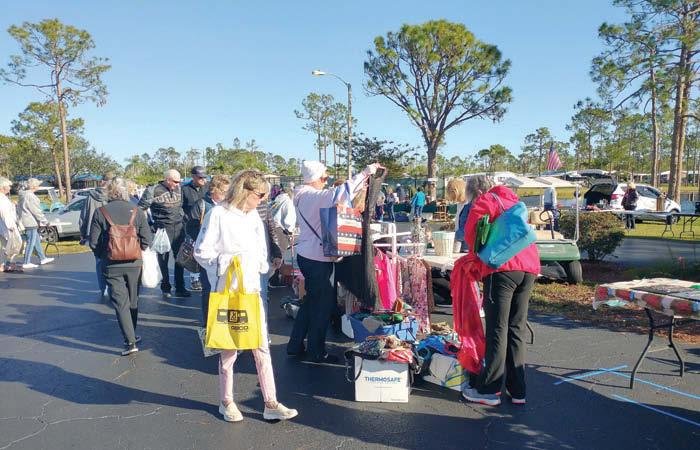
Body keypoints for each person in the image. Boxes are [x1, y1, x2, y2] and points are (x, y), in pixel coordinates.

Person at [194, 169, 298, 423]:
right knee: (229, 348)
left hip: (252, 289)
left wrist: (263, 266)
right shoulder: (218, 214)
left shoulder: (253, 217)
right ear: (245, 190)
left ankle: (271, 402)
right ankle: (226, 401)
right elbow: (201, 251)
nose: (264, 199)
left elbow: (261, 249)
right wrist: (229, 263)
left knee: (261, 345)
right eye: (260, 194)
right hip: (227, 291)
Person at [287, 160, 381, 363]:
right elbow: (341, 192)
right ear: (315, 178)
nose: (326, 181)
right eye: (324, 177)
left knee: (311, 302)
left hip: (308, 255)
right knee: (322, 307)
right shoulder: (313, 196)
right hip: (318, 258)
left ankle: (295, 345)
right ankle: (316, 352)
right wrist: (366, 171)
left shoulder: (301, 195)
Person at [459, 175, 540, 406]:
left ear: (476, 192)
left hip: (501, 268)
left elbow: (471, 236)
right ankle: (518, 390)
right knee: (516, 328)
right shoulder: (512, 200)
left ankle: (489, 389)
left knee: (497, 329)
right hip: (529, 266)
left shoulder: (485, 202)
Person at [89, 178, 152, 356]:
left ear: (109, 192)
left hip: (111, 264)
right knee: (133, 300)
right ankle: (133, 333)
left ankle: (130, 341)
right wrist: (137, 249)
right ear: (126, 192)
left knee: (120, 302)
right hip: (134, 263)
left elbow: (93, 242)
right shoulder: (137, 211)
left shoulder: (100, 212)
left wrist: (103, 254)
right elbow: (147, 239)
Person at [186, 175, 231, 327]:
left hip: (225, 256)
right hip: (209, 256)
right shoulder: (202, 204)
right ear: (215, 190)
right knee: (208, 290)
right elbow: (190, 227)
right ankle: (208, 324)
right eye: (224, 191)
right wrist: (205, 238)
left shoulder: (229, 206)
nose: (227, 194)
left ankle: (222, 322)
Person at [138, 169, 189, 298]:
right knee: (163, 259)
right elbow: (140, 208)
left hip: (178, 227)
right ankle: (165, 287)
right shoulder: (153, 190)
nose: (178, 184)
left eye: (179, 181)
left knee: (180, 259)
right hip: (162, 229)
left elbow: (184, 205)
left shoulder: (180, 189)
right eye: (175, 181)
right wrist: (149, 224)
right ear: (167, 180)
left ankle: (180, 287)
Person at [80, 171, 113, 298]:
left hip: (93, 232)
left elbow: (83, 216)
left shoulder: (90, 196)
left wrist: (83, 234)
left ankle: (103, 288)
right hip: (111, 232)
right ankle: (112, 286)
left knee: (99, 261)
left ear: (102, 181)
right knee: (112, 260)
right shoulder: (113, 196)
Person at [182, 166, 209, 291]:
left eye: (205, 177)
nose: (203, 180)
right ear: (193, 177)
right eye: (200, 177)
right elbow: (180, 207)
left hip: (205, 223)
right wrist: (185, 219)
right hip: (191, 224)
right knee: (193, 251)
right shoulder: (184, 189)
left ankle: (205, 276)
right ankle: (194, 278)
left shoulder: (208, 188)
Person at [17, 178, 54, 269]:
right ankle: (26, 262)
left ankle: (42, 258)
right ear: (33, 186)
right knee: (31, 242)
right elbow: (36, 211)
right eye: (37, 185)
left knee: (36, 240)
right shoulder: (30, 196)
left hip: (26, 221)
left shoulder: (23, 195)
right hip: (30, 222)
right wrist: (45, 221)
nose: (38, 186)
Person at [268, 186, 296, 289]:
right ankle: (274, 280)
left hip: (272, 227)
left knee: (274, 254)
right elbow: (289, 219)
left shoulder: (276, 200)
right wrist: (291, 232)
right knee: (279, 254)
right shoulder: (288, 201)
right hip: (280, 230)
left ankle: (273, 278)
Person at [0, 177, 23, 272]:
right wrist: (10, 226)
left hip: (4, 226)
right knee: (16, 244)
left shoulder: (3, 198)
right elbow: (4, 213)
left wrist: (12, 205)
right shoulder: (2, 199)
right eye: (8, 186)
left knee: (6, 246)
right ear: (2, 187)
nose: (10, 188)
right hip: (7, 226)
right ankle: (10, 264)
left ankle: (4, 264)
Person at [446, 178, 469, 253]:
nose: (455, 200)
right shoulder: (460, 204)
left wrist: (454, 236)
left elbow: (468, 227)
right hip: (461, 243)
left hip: (467, 245)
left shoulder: (469, 205)